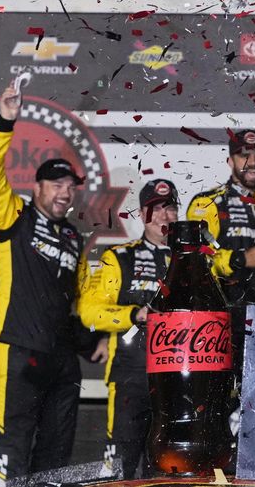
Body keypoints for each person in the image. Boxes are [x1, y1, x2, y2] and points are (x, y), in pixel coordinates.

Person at [0, 83, 92, 485]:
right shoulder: (14, 216)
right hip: (19, 346)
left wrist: (92, 338)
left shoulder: (74, 236)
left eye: (70, 186)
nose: (65, 193)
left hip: (62, 358)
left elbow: (77, 299)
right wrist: (5, 121)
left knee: (57, 450)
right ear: (37, 187)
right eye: (57, 185)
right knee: (13, 441)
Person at [78, 179, 181, 479]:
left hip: (177, 379)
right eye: (154, 209)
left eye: (169, 208)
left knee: (165, 468)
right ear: (141, 214)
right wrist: (134, 314)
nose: (163, 216)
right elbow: (90, 312)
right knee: (118, 467)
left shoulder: (191, 261)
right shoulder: (119, 257)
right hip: (130, 376)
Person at [187, 129, 255, 376]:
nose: (252, 162)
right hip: (216, 319)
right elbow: (195, 259)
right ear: (230, 161)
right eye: (244, 156)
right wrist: (241, 258)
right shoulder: (207, 202)